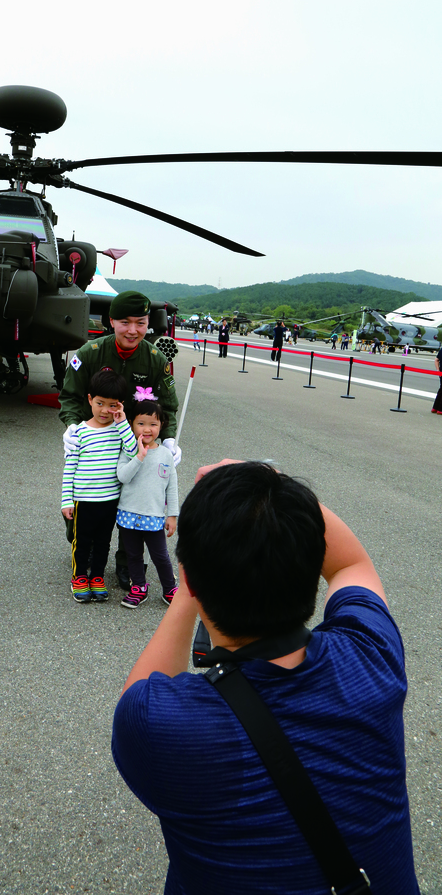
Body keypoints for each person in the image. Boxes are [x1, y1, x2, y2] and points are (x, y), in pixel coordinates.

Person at [113, 460, 419, 895]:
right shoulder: (371, 657)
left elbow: (139, 692)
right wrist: (268, 483)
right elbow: (351, 564)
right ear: (312, 567)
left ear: (190, 581)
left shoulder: (158, 725)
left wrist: (190, 587)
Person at [59, 290, 180, 590]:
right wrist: (73, 427)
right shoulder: (90, 353)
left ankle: (128, 563)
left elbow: (169, 406)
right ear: (110, 321)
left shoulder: (156, 360)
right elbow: (70, 397)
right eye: (124, 322)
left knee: (137, 504)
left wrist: (168, 441)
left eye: (140, 323)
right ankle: (83, 550)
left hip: (135, 447)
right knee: (85, 503)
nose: (132, 330)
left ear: (148, 323)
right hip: (95, 443)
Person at [61, 370, 137, 602]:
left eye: (112, 405)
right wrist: (66, 500)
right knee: (81, 542)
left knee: (103, 542)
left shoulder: (119, 430)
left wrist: (123, 423)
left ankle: (97, 577)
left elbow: (134, 452)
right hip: (83, 500)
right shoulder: (79, 432)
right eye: (100, 403)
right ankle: (79, 577)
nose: (105, 410)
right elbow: (69, 469)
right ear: (89, 399)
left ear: (121, 406)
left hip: (110, 500)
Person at [116, 399, 179, 609]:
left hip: (154, 515)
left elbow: (171, 486)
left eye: (153, 424)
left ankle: (169, 589)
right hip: (128, 513)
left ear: (161, 426)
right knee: (133, 555)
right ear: (132, 424)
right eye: (141, 423)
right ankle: (139, 588)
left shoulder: (166, 455)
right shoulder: (128, 449)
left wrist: (172, 515)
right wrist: (139, 457)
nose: (147, 429)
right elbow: (122, 476)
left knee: (161, 556)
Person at [431, 344, 442, 414]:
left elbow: (436, 360)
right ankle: (440, 409)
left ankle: (435, 407)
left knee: (441, 389)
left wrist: (438, 370)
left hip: (441, 372)